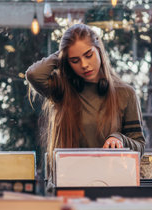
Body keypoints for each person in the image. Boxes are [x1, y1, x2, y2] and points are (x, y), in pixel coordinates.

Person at [26, 24, 145, 160]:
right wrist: (62, 54)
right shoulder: (63, 90)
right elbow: (33, 74)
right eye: (75, 60)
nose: (84, 65)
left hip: (112, 177)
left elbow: (139, 146)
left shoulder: (126, 93)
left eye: (89, 55)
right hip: (70, 177)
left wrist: (120, 139)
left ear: (99, 51)